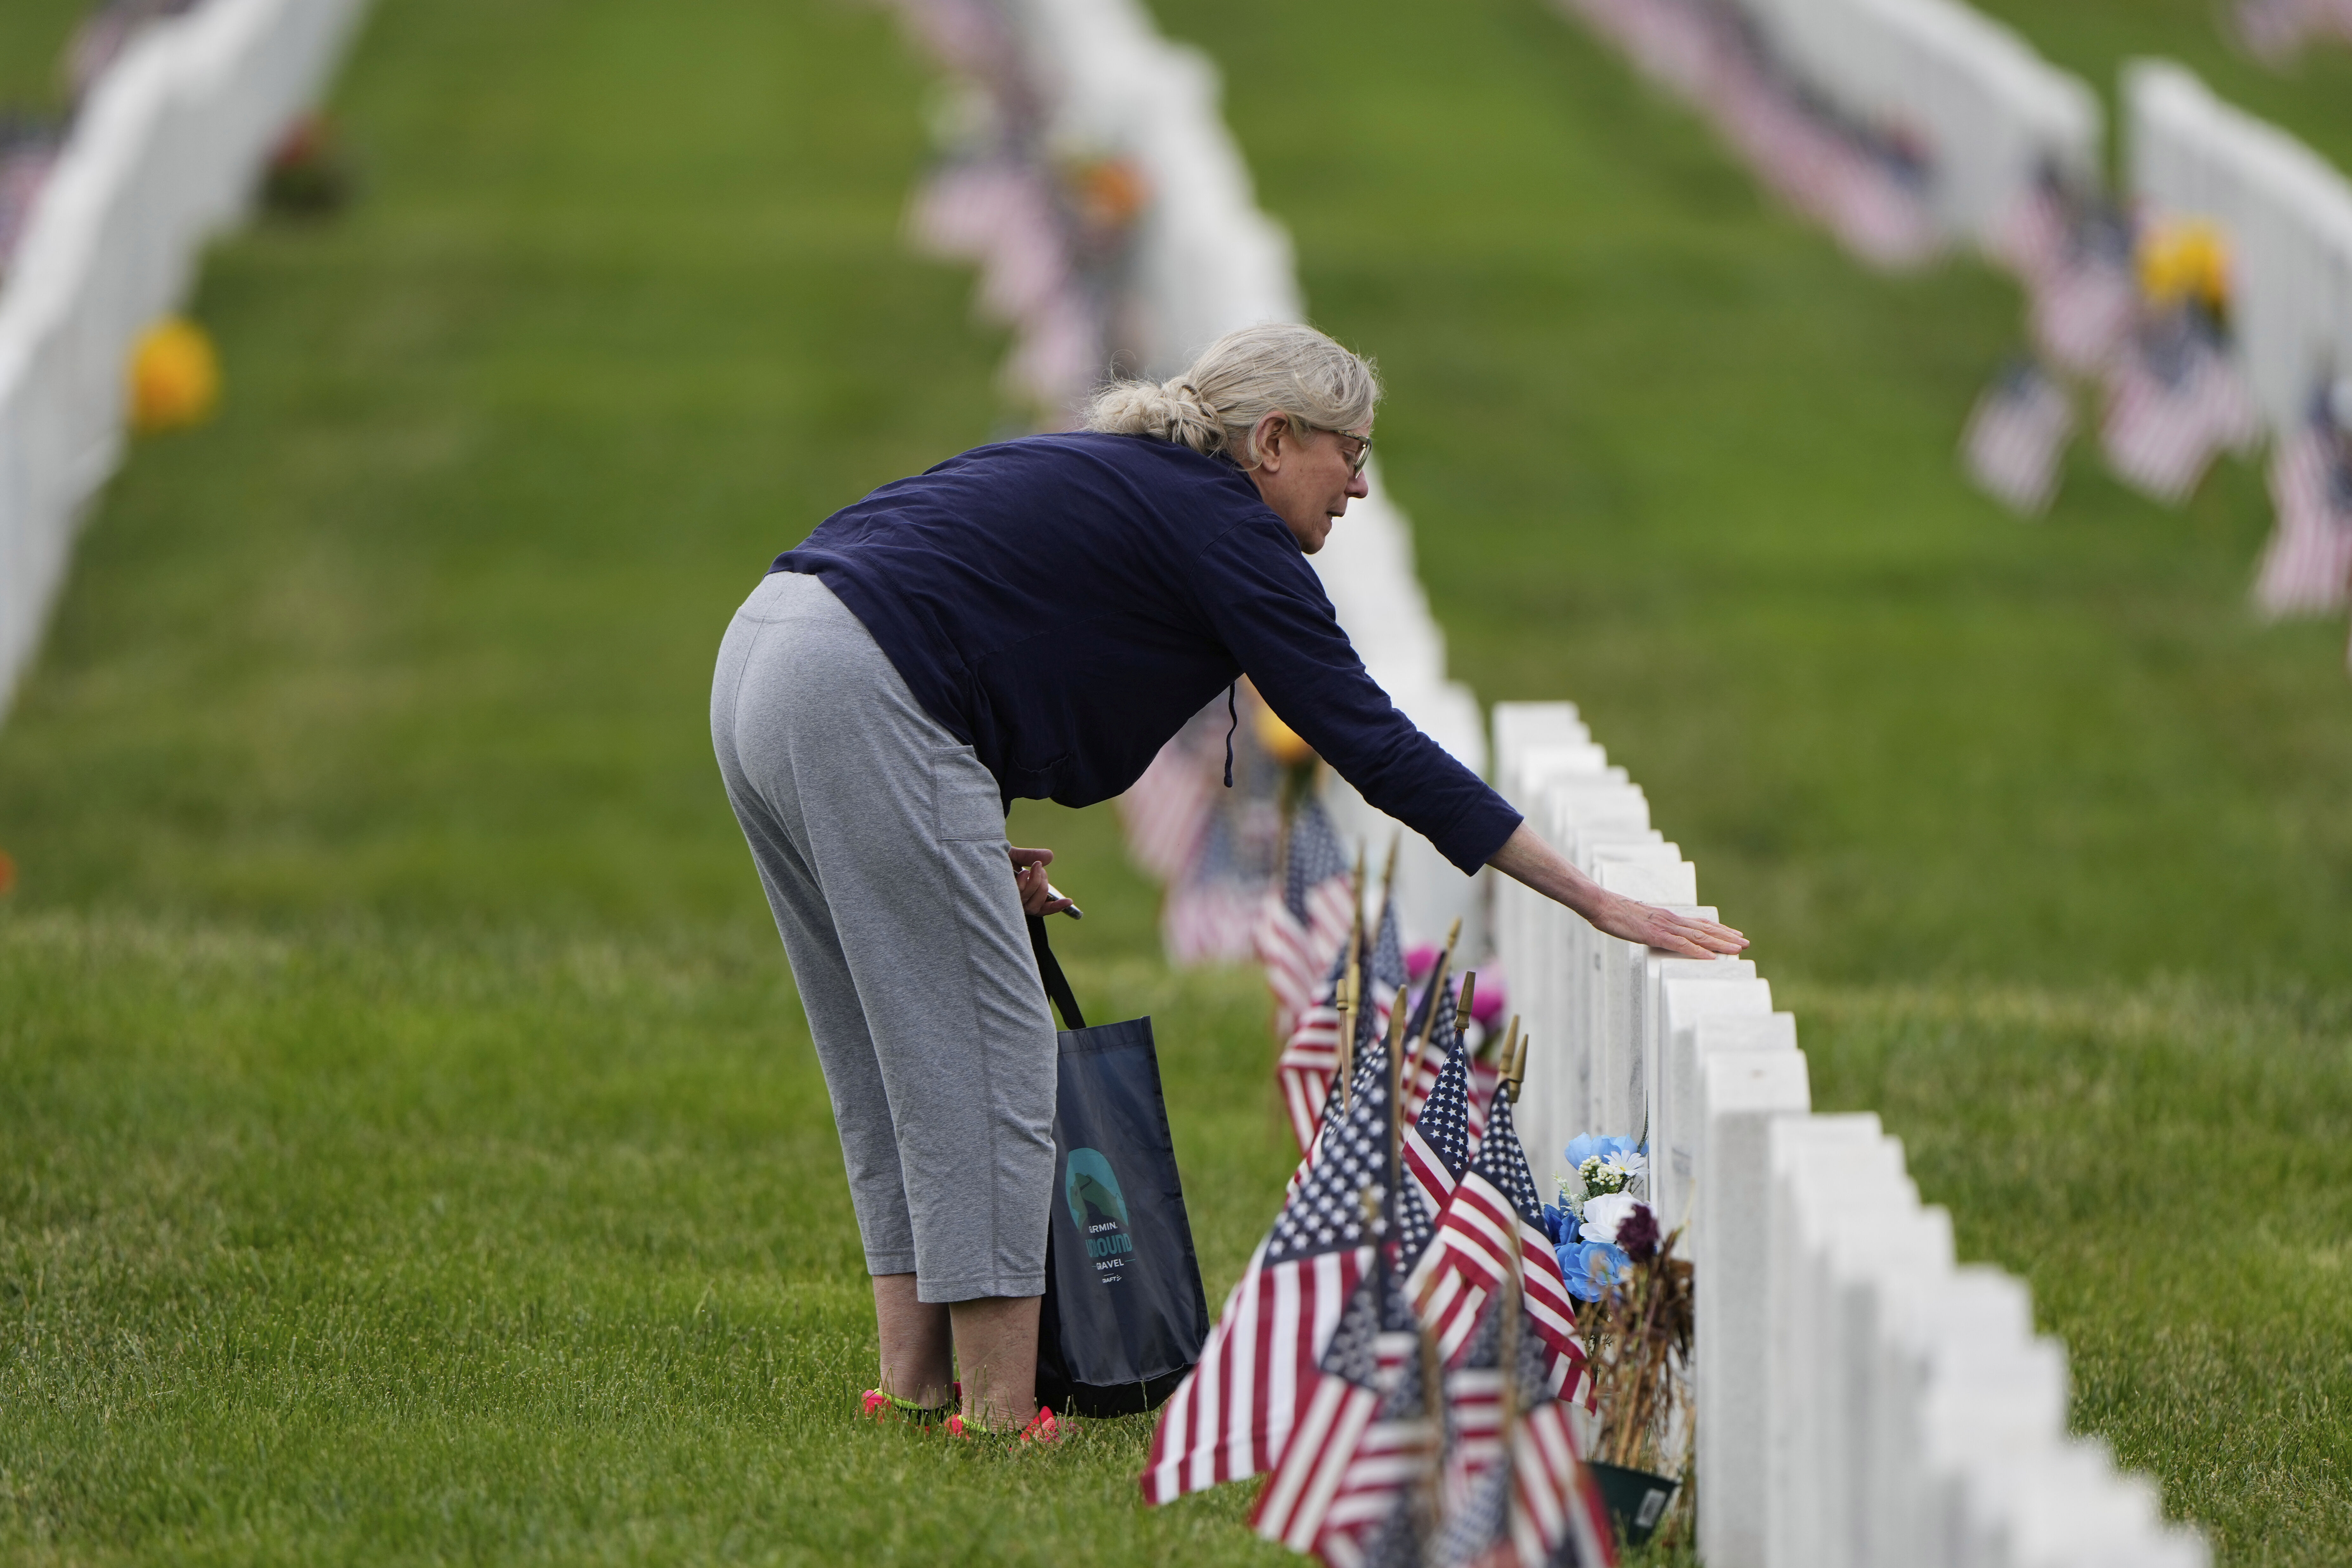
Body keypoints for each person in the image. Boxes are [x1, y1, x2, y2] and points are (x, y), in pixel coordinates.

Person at [709, 322, 1744, 1439]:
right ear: (1273, 438)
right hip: (863, 690)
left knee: (890, 1051)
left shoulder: (1135, 483)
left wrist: (955, 838)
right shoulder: (1225, 526)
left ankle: (911, 1391)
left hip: (769, 654)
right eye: (1348, 451)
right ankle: (1000, 1419)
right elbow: (1374, 742)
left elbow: (975, 615)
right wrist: (1592, 896)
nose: (1358, 482)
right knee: (992, 1057)